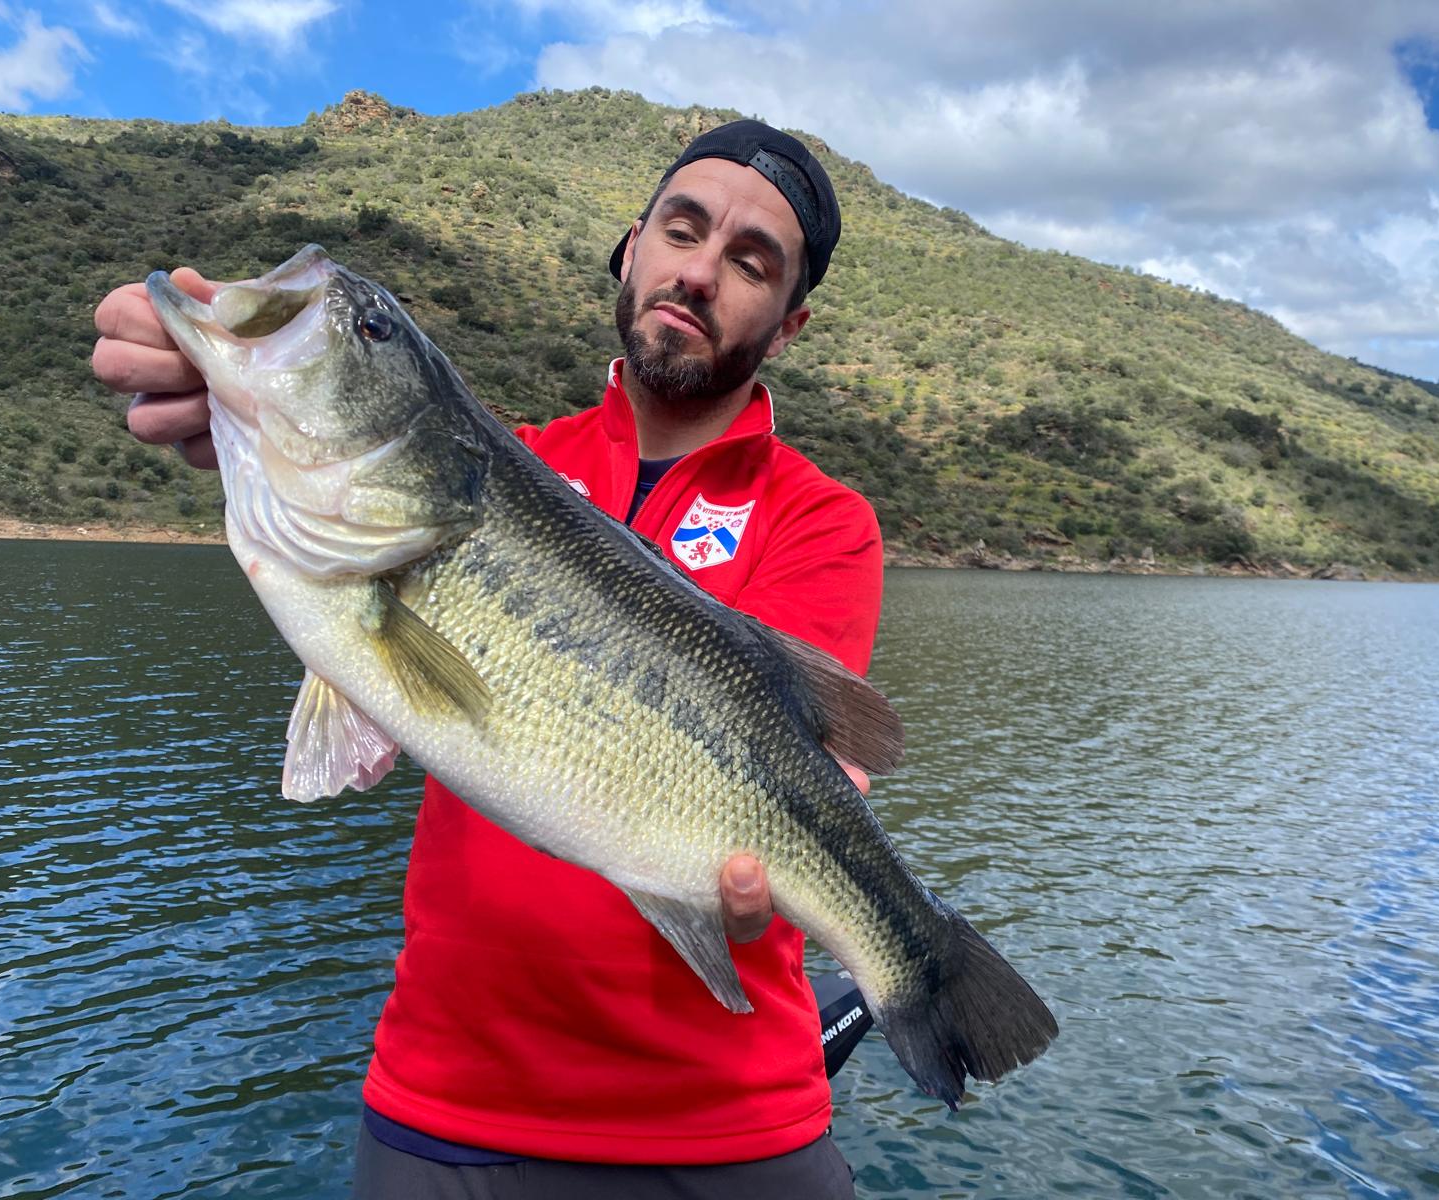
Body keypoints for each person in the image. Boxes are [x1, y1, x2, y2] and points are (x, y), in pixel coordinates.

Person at [93, 120, 881, 1198]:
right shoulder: (501, 464)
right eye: (681, 229)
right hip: (444, 1111)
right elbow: (367, 708)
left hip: (729, 1128)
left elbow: (824, 773)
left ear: (786, 325)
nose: (699, 271)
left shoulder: (824, 521)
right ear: (630, 249)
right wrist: (230, 407)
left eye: (749, 263)